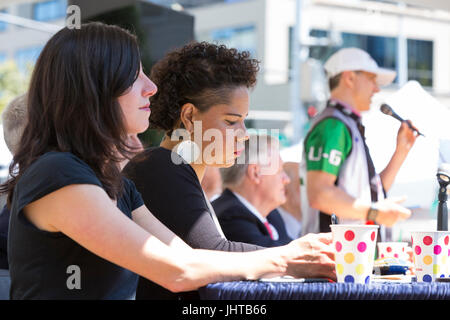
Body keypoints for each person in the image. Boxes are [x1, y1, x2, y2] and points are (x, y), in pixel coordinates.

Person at [0, 23, 334, 300]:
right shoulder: (59, 174)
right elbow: (179, 272)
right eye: (134, 76)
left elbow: (186, 258)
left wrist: (294, 260)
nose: (150, 87)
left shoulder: (115, 185)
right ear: (95, 90)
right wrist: (287, 258)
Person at [123, 41, 336, 300]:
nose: (244, 135)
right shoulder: (161, 166)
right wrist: (294, 255)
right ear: (189, 117)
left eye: (243, 122)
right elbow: (213, 252)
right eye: (232, 121)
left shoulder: (172, 169)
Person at [301, 47, 416, 236]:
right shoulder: (333, 125)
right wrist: (375, 212)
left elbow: (371, 196)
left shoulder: (344, 124)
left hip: (350, 258)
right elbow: (320, 194)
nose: (377, 88)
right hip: (334, 259)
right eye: (372, 79)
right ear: (349, 78)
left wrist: (401, 152)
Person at [213, 134, 292, 247]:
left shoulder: (271, 214)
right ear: (255, 173)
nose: (286, 179)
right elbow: (280, 257)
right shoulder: (230, 217)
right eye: (279, 171)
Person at [277, 161, 302, 239]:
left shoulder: (308, 223)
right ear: (285, 190)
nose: (309, 190)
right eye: (301, 183)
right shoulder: (274, 226)